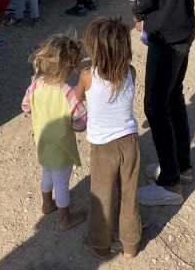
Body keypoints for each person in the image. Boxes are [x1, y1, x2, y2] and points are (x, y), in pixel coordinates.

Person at [101, 0, 195, 207]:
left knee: (155, 106)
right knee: (173, 98)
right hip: (183, 23)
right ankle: (181, 167)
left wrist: (138, 11)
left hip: (167, 32)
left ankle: (171, 185)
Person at [76, 17, 141, 260]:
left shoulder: (87, 75)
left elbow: (77, 97)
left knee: (102, 197)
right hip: (130, 142)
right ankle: (130, 246)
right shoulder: (130, 72)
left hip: (103, 146)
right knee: (129, 193)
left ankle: (100, 246)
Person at [21, 34, 87, 230]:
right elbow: (81, 120)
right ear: (69, 67)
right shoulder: (68, 92)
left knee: (46, 173)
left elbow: (25, 107)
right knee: (61, 182)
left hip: (42, 142)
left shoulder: (35, 85)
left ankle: (46, 203)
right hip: (61, 147)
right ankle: (65, 219)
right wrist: (75, 127)